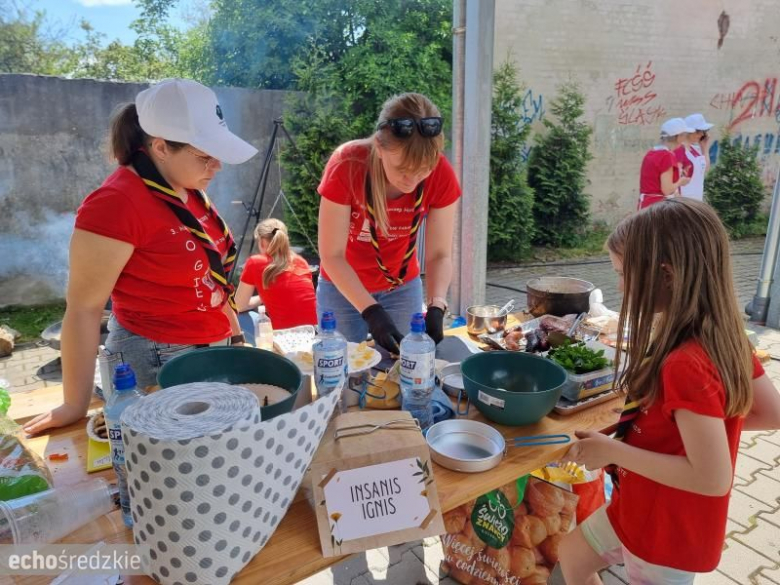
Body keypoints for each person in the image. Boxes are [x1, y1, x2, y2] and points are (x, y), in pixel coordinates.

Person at [558, 199, 780, 585]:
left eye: (623, 274)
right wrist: (694, 437)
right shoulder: (725, 337)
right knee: (573, 555)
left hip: (665, 532)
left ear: (665, 275)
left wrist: (613, 451)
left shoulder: (685, 363)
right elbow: (772, 413)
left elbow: (713, 478)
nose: (620, 286)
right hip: (636, 505)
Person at [24, 79, 258, 435]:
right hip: (154, 361)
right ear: (161, 147)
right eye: (206, 155)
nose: (218, 166)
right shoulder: (116, 204)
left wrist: (236, 338)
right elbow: (83, 309)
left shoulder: (185, 186)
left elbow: (213, 274)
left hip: (211, 347)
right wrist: (75, 403)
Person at [316, 93, 461, 353]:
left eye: (424, 170)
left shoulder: (441, 172)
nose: (412, 180)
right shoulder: (347, 164)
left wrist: (437, 304)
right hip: (342, 286)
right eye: (403, 169)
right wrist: (371, 310)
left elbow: (439, 254)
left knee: (404, 367)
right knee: (342, 369)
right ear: (380, 149)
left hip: (402, 287)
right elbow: (332, 255)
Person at [233, 218, 317, 335]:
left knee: (238, 317)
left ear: (262, 242)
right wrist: (264, 298)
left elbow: (238, 305)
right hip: (312, 332)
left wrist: (260, 299)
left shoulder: (255, 262)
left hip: (284, 338)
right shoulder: (300, 261)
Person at [637, 118, 693, 209]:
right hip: (658, 207)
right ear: (678, 137)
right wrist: (680, 182)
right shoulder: (666, 156)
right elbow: (667, 190)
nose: (684, 138)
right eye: (684, 135)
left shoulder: (651, 153)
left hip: (646, 205)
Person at [675, 113, 714, 201]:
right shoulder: (679, 150)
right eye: (698, 131)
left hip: (696, 199)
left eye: (703, 131)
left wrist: (704, 147)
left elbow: (704, 169)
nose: (701, 134)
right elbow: (674, 177)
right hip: (684, 199)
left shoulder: (695, 149)